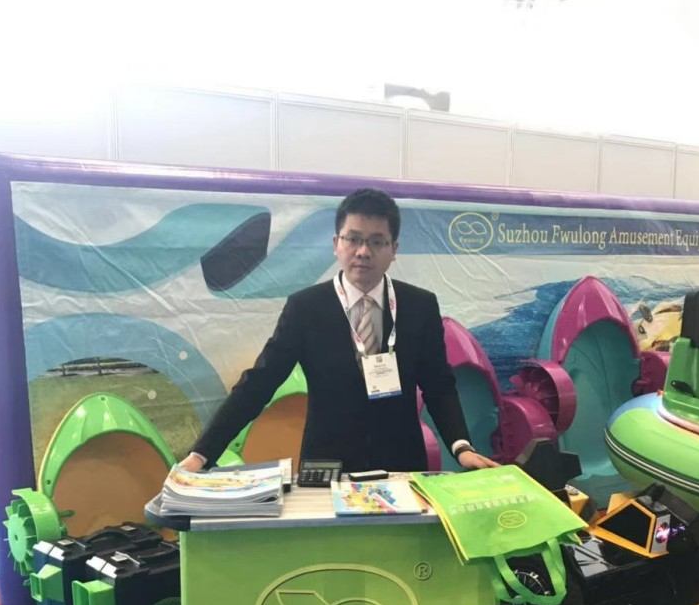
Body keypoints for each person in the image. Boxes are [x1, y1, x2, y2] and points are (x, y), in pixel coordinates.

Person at [179, 187, 496, 474]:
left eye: (377, 241)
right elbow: (259, 383)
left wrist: (461, 447)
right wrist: (202, 454)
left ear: (393, 249)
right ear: (336, 244)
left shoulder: (419, 306)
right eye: (353, 239)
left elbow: (439, 386)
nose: (363, 251)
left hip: (401, 466)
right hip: (327, 465)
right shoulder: (306, 308)